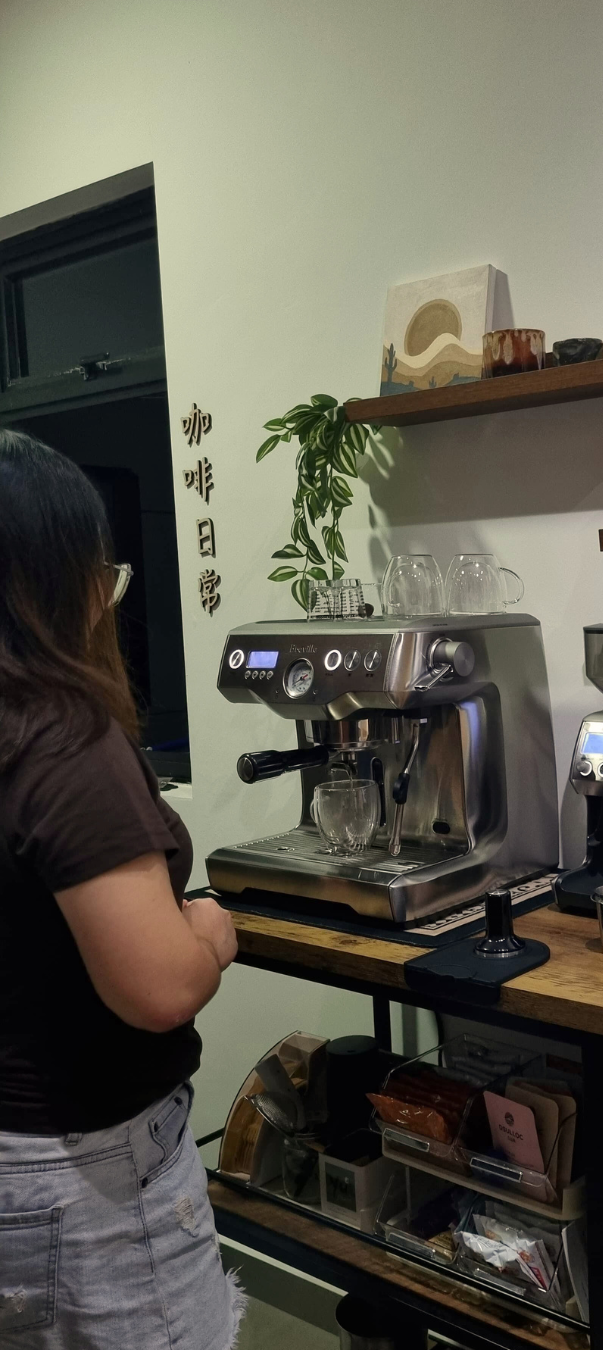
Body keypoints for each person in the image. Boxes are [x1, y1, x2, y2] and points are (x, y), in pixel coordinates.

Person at [0, 430, 244, 1349]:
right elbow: (158, 987)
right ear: (63, 583)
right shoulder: (61, 737)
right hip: (86, 1173)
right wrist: (209, 930)